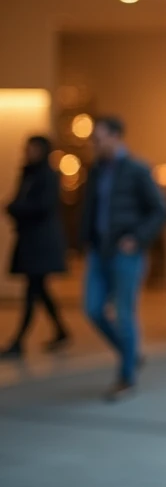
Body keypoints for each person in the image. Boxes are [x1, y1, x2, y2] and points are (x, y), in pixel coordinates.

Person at [79, 116, 166, 401]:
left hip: (126, 252)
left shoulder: (137, 169)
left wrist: (138, 238)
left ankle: (126, 377)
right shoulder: (95, 171)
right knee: (92, 308)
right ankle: (131, 354)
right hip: (99, 251)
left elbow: (162, 209)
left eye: (99, 137)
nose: (95, 143)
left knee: (124, 312)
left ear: (116, 136)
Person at [2, 135, 69, 358]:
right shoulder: (28, 174)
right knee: (38, 288)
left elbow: (42, 207)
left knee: (33, 289)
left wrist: (15, 208)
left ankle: (18, 341)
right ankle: (61, 331)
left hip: (41, 243)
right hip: (30, 240)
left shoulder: (47, 176)